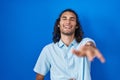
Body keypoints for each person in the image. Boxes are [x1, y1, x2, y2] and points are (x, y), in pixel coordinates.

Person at [34, 9, 105, 80]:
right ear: (58, 24)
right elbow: (39, 77)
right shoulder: (48, 50)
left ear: (76, 25)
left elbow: (89, 43)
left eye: (72, 19)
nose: (68, 22)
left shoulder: (84, 43)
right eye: (64, 18)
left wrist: (89, 46)